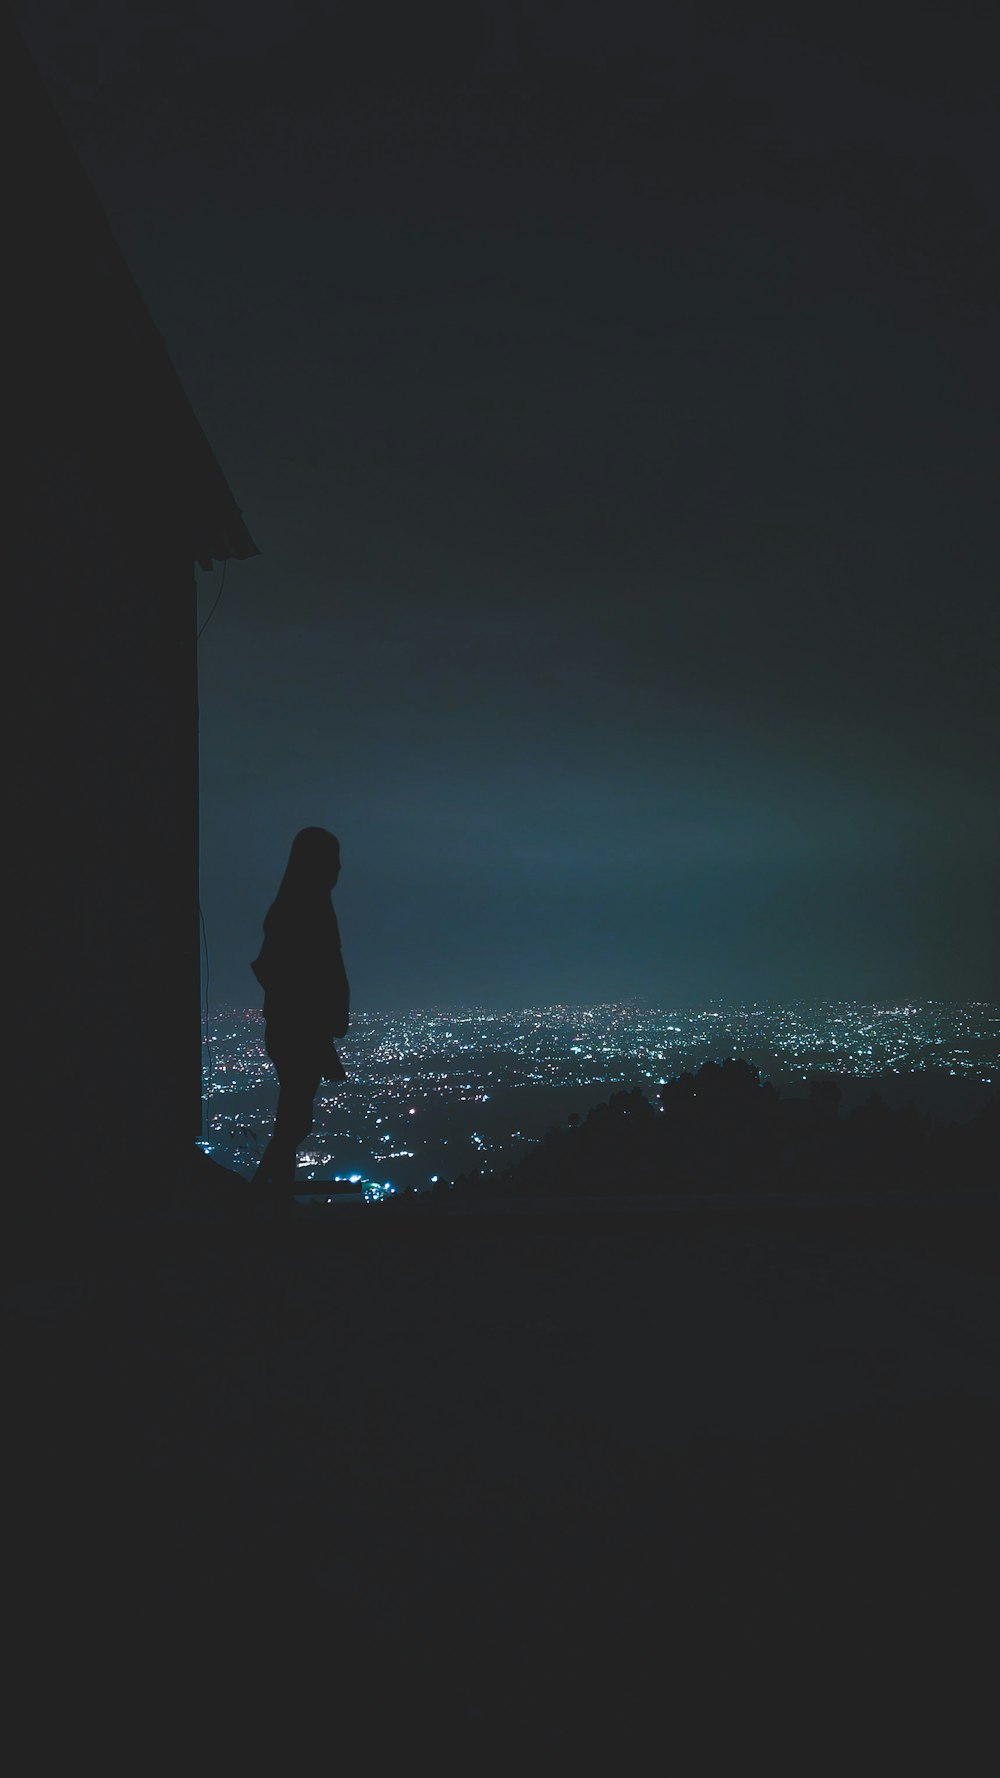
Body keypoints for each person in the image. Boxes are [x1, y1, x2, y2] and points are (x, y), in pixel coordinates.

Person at [250, 827, 349, 1208]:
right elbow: (316, 972)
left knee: (292, 1117)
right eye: (333, 860)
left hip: (295, 1026)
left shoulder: (295, 907)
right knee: (294, 1120)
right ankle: (264, 1195)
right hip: (301, 1029)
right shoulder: (308, 910)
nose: (339, 868)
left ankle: (274, 1195)